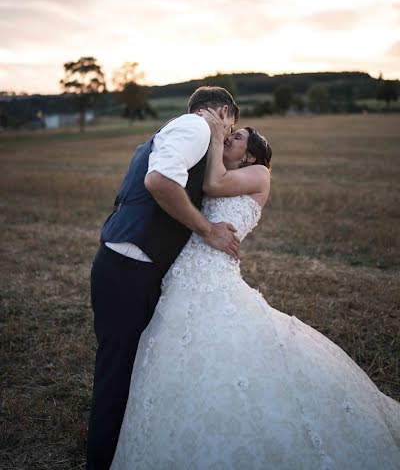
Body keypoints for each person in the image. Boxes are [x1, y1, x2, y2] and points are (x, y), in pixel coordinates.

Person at [110, 109, 400, 470]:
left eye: (237, 137)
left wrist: (214, 136)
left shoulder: (259, 173)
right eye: (229, 135)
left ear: (250, 154)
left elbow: (211, 187)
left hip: (212, 273)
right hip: (185, 271)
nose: (229, 137)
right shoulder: (228, 170)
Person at [86, 87, 240, 470]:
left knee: (128, 370)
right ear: (222, 113)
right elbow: (159, 182)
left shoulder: (184, 129)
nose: (228, 134)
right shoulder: (196, 128)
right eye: (231, 127)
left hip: (131, 263)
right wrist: (207, 229)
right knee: (117, 376)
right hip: (128, 266)